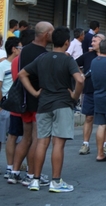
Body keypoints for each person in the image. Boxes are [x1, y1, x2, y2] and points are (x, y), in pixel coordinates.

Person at [19, 26, 84, 192]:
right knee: (58, 144)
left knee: (42, 142)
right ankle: (55, 181)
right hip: (62, 104)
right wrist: (75, 96)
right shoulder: (68, 60)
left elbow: (22, 74)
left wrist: (34, 92)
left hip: (43, 105)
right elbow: (80, 80)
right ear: (67, 42)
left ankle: (35, 179)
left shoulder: (42, 58)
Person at [7, 21, 54, 186]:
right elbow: (26, 75)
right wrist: (35, 92)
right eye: (52, 32)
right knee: (36, 139)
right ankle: (32, 175)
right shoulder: (43, 54)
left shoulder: (24, 50)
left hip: (23, 101)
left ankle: (14, 172)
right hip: (38, 101)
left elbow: (20, 74)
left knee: (25, 138)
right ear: (46, 34)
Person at [76, 34, 106, 156]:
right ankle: (85, 144)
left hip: (105, 92)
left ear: (102, 42)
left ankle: (105, 145)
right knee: (89, 117)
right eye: (92, 40)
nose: (92, 43)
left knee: (105, 120)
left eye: (95, 41)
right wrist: (80, 74)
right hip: (90, 91)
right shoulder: (87, 56)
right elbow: (74, 64)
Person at [0, 37, 22, 171]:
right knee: (3, 137)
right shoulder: (2, 66)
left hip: (17, 105)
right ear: (14, 49)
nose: (22, 50)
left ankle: (15, 164)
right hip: (6, 105)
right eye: (20, 48)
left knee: (16, 136)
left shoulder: (20, 64)